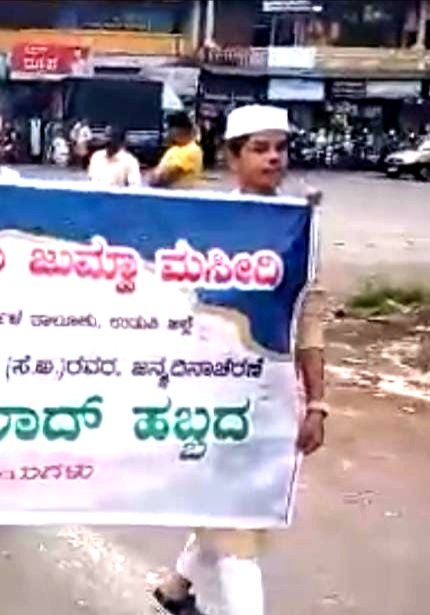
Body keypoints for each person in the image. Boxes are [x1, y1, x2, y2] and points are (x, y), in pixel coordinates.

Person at [152, 104, 328, 615]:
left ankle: (175, 590)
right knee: (236, 526)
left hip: (267, 401)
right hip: (208, 399)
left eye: (281, 148)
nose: (274, 158)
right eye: (259, 148)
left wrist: (317, 404)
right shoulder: (212, 227)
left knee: (237, 509)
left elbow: (309, 318)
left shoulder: (298, 230)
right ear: (232, 158)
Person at [150, 111, 203, 189]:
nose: (168, 133)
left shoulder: (192, 149)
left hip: (179, 194)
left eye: (170, 129)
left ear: (180, 130)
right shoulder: (173, 149)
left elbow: (163, 177)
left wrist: (156, 175)